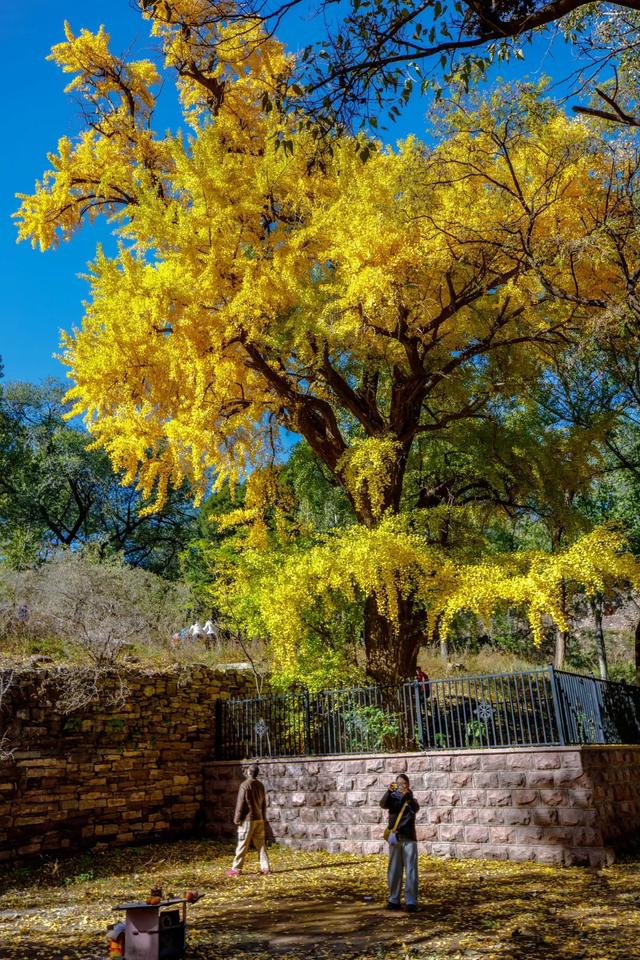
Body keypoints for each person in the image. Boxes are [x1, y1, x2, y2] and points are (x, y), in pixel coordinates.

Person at [380, 773, 420, 912]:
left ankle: (411, 901)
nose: (401, 786)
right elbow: (383, 804)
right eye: (398, 783)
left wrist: (407, 796)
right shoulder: (392, 798)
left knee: (411, 871)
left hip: (409, 838)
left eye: (403, 783)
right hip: (395, 838)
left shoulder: (411, 800)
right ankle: (394, 899)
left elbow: (415, 808)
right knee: (394, 870)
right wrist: (388, 791)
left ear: (407, 785)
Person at [227, 764, 270, 877]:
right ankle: (265, 867)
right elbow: (264, 804)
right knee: (261, 845)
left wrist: (237, 819)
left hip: (248, 819)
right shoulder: (260, 785)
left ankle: (236, 869)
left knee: (242, 844)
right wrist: (263, 817)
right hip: (259, 818)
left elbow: (240, 803)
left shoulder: (245, 785)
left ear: (249, 772)